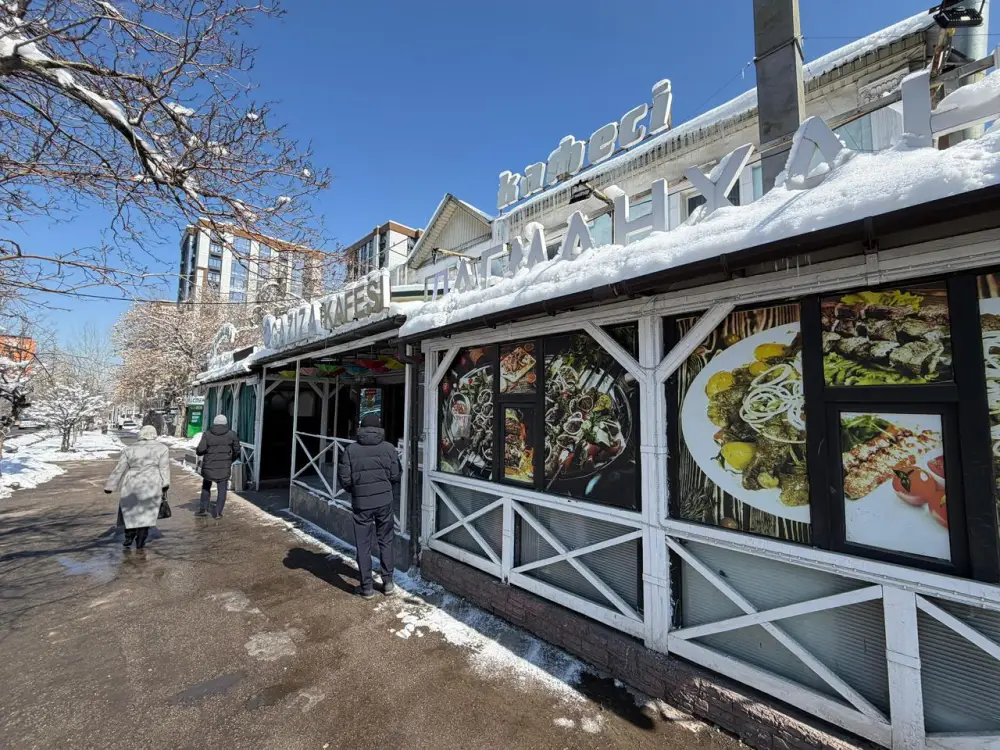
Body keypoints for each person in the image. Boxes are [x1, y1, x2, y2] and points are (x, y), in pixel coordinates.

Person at [338, 413, 401, 599]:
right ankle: (388, 582)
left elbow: (344, 479)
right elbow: (395, 475)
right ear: (378, 428)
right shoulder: (389, 448)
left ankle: (366, 587)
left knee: (363, 544)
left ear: (361, 428)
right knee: (386, 540)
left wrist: (355, 490)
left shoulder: (350, 450)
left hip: (361, 503)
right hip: (384, 502)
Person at [105, 424, 170, 550]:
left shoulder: (130, 449)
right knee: (147, 512)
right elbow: (164, 468)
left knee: (131, 510)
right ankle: (141, 539)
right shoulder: (162, 448)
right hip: (152, 482)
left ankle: (129, 535)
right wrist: (165, 483)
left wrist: (110, 486)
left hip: (132, 481)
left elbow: (119, 469)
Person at [195, 414, 240, 518]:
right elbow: (237, 451)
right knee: (222, 489)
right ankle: (218, 512)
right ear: (226, 423)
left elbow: (200, 450)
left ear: (214, 423)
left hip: (209, 466)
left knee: (206, 486)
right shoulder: (232, 434)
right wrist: (230, 460)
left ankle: (203, 510)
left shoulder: (207, 434)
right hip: (224, 466)